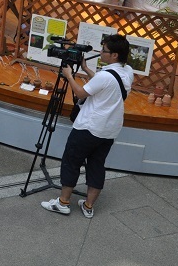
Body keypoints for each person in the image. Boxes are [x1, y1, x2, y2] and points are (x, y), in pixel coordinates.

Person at [41, 35, 133, 218]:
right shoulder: (127, 71)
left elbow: (81, 91)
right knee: (97, 165)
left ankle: (63, 203)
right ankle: (89, 206)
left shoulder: (105, 76)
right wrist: (86, 69)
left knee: (71, 161)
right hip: (109, 130)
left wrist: (69, 75)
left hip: (89, 127)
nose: (101, 53)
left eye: (104, 51)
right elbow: (106, 85)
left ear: (114, 55)